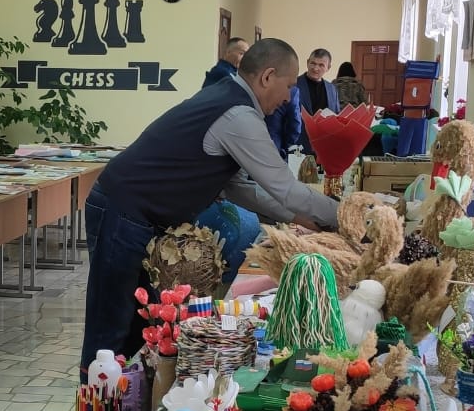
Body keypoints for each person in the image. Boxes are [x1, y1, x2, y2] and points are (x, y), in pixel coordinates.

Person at [82, 38, 338, 374]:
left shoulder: (228, 99)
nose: (290, 97)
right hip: (123, 210)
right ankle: (95, 403)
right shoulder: (238, 114)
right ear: (267, 76)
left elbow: (240, 188)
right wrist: (344, 215)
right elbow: (285, 188)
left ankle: (126, 400)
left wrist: (301, 218)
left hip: (135, 213)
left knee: (138, 323)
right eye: (289, 86)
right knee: (110, 327)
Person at [203, 35, 290, 154]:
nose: (245, 59)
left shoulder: (234, 73)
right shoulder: (221, 73)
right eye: (242, 53)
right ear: (228, 52)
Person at [285, 47, 342, 155]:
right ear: (307, 62)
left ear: (328, 67)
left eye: (321, 65)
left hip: (324, 146)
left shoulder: (332, 89)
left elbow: (336, 114)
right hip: (298, 145)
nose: (316, 68)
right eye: (313, 63)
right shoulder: (293, 84)